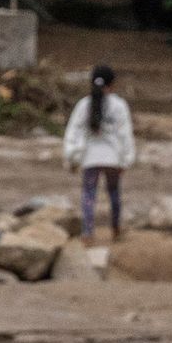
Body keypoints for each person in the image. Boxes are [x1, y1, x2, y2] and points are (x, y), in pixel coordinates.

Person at [63, 63, 135, 247]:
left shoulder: (83, 105)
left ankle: (87, 233)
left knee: (88, 194)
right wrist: (126, 160)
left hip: (90, 158)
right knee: (113, 193)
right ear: (112, 84)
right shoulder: (119, 105)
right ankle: (116, 229)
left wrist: (72, 156)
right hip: (112, 158)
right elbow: (125, 134)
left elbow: (74, 132)